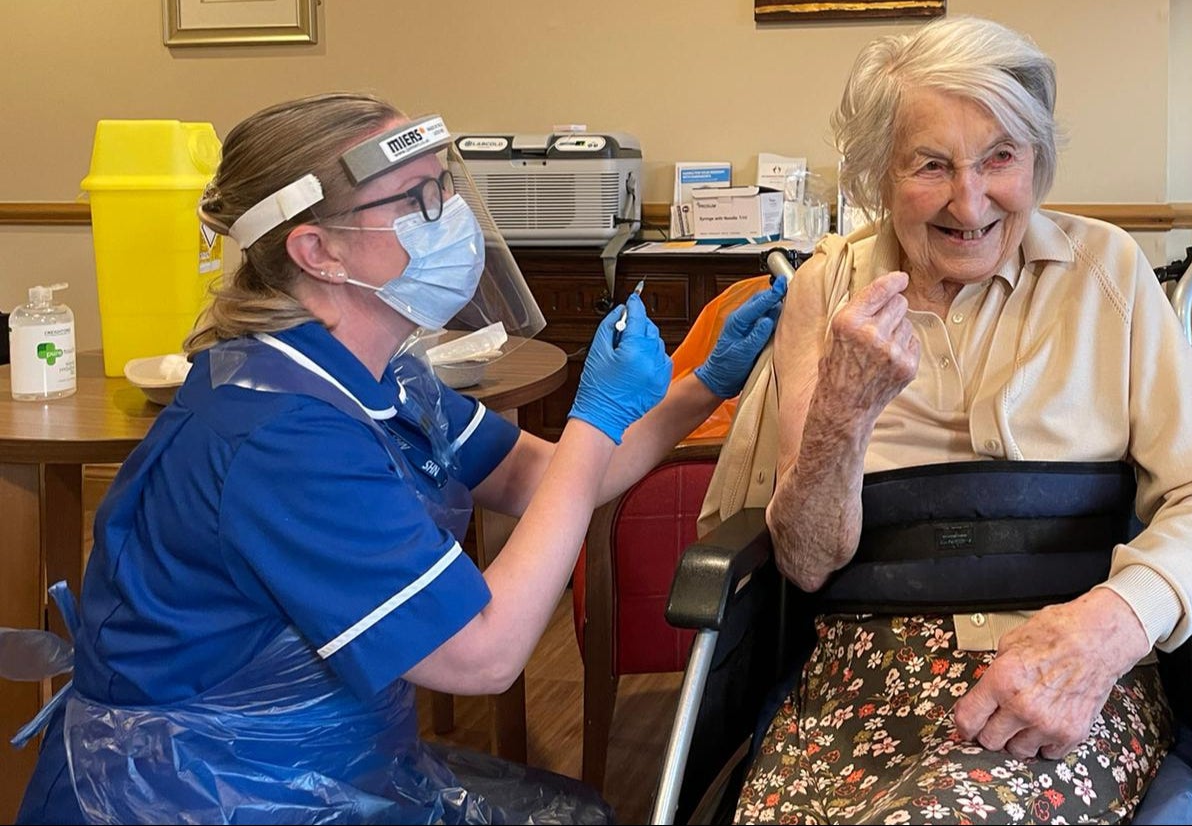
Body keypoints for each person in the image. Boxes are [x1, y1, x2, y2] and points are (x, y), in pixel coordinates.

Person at [14, 93, 784, 825]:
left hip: (319, 759)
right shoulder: (283, 432)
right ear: (316, 249)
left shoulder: (379, 378)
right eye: (414, 199)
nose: (447, 217)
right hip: (202, 792)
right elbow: (482, 657)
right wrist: (596, 417)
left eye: (444, 188)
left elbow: (560, 480)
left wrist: (702, 383)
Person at [733, 17, 1192, 824]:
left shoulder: (1106, 272)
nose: (969, 201)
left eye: (999, 158)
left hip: (1067, 658)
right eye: (931, 165)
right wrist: (844, 412)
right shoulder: (828, 289)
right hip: (863, 672)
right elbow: (806, 563)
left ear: (1037, 164)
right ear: (878, 173)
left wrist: (1111, 627)